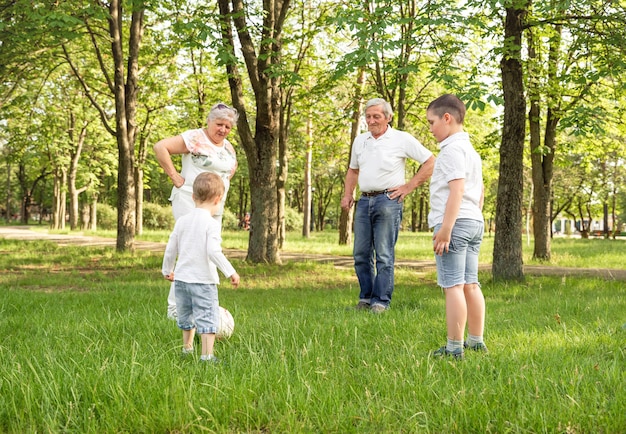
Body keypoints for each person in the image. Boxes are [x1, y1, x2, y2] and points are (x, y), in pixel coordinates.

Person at [340, 98, 435, 313]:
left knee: (383, 255)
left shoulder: (401, 139)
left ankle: (380, 301)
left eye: (376, 116)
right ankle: (365, 298)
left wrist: (409, 186)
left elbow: (430, 161)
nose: (371, 121)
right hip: (364, 202)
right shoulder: (360, 141)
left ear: (388, 117)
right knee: (361, 254)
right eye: (368, 116)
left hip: (388, 201)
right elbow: (353, 170)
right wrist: (348, 194)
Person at [154, 103, 239, 319]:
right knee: (190, 251)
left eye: (228, 127)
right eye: (219, 124)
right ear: (209, 121)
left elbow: (232, 166)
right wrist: (175, 177)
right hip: (190, 202)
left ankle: (203, 305)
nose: (223, 130)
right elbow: (160, 147)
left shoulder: (228, 147)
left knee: (210, 251)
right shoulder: (194, 137)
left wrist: (222, 184)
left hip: (214, 207)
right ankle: (176, 308)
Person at [426, 94, 487, 360]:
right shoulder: (471, 151)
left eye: (431, 122)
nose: (430, 129)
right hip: (474, 220)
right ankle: (476, 341)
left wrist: (446, 229)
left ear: (447, 118)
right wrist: (473, 216)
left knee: (452, 286)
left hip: (455, 222)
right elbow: (480, 191)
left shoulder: (451, 150)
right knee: (471, 284)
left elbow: (457, 189)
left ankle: (454, 348)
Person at [162, 172, 240, 363]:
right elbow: (214, 252)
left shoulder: (182, 221)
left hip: (181, 280)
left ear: (193, 196)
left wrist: (167, 270)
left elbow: (171, 248)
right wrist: (230, 271)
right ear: (218, 199)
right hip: (203, 281)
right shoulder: (211, 224)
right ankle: (207, 356)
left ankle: (187, 350)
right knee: (207, 317)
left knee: (186, 316)